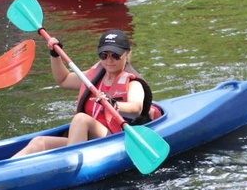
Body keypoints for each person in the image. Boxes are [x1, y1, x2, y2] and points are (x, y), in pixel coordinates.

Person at [12, 30, 161, 158]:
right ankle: (4, 170)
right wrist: (54, 55)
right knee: (39, 142)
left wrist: (114, 104)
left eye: (115, 55)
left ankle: (67, 164)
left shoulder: (132, 83)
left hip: (115, 139)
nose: (109, 60)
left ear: (127, 54)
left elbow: (136, 108)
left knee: (81, 119)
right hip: (87, 139)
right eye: (104, 55)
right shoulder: (94, 77)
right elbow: (63, 79)